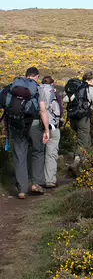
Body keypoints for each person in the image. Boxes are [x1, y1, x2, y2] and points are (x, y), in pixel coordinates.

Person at [1, 67, 49, 199]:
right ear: (37, 77)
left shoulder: (13, 88)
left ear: (26, 75)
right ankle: (36, 183)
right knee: (38, 152)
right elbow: (43, 110)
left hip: (15, 124)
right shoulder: (38, 89)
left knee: (19, 155)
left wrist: (5, 126)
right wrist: (46, 129)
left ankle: (22, 190)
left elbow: (7, 107)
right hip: (33, 123)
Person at [65, 71, 93, 170]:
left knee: (86, 139)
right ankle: (77, 162)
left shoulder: (76, 87)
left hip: (72, 117)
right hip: (83, 118)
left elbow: (65, 99)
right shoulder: (91, 89)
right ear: (91, 80)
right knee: (82, 140)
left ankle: (87, 162)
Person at [40, 76, 63, 188]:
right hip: (53, 127)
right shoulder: (55, 95)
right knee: (51, 154)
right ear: (52, 84)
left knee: (38, 153)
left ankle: (37, 180)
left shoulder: (38, 92)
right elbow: (61, 111)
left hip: (39, 127)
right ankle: (50, 180)